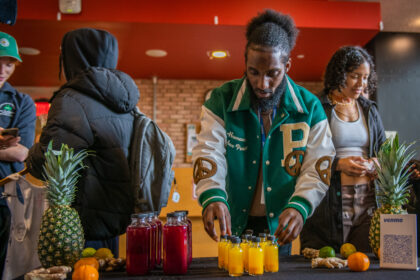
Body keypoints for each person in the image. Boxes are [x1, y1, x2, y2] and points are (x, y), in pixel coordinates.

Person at [192, 10, 335, 255]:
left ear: (287, 65)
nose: (262, 84)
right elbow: (208, 150)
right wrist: (212, 195)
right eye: (254, 72)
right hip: (234, 220)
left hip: (280, 224)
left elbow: (318, 165)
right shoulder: (221, 100)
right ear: (245, 62)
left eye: (273, 73)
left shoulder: (310, 107)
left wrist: (301, 206)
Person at [26, 28, 140, 256]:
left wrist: (29, 153)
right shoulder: (127, 103)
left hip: (78, 224)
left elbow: (49, 163)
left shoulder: (70, 100)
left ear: (72, 58)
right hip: (117, 221)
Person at [300, 46, 386, 253]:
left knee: (364, 264)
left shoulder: (369, 109)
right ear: (339, 74)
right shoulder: (317, 107)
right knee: (326, 265)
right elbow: (299, 155)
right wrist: (338, 163)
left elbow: (384, 152)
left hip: (367, 201)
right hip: (328, 203)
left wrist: (377, 163)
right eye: (355, 76)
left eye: (365, 78)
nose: (361, 84)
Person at [0, 31, 36, 276]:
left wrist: (12, 148)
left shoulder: (22, 102)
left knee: (7, 265)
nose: (3, 69)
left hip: (7, 197)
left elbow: (21, 153)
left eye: (9, 64)